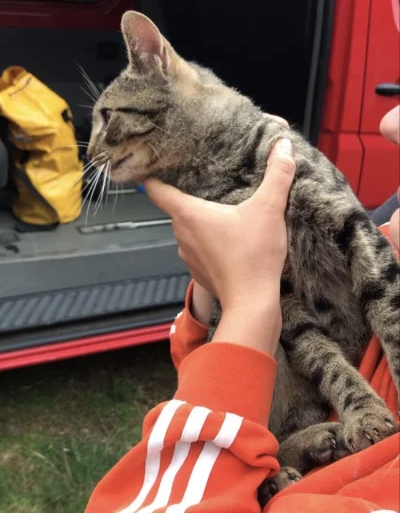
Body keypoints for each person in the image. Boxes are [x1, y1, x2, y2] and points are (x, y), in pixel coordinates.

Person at [85, 107, 399, 513]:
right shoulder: (385, 240)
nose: (387, 121)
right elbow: (195, 355)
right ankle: (283, 450)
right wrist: (216, 279)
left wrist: (246, 301)